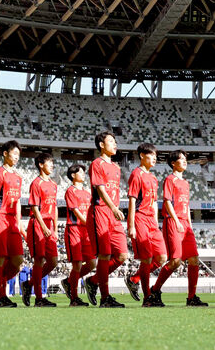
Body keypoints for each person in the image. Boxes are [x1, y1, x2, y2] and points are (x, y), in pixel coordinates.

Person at [152, 149, 207, 306]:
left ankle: (191, 297)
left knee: (194, 259)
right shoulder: (170, 180)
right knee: (175, 261)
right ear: (173, 163)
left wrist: (189, 224)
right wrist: (176, 220)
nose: (185, 161)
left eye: (185, 159)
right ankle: (155, 291)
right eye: (181, 159)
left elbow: (187, 205)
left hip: (185, 224)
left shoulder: (185, 183)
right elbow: (168, 202)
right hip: (173, 221)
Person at [86, 131, 129, 308]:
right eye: (111, 141)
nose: (115, 144)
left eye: (115, 141)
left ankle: (93, 281)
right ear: (102, 145)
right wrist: (113, 208)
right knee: (104, 254)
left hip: (113, 214)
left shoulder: (117, 168)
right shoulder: (97, 164)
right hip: (100, 211)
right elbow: (101, 190)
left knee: (122, 255)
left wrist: (114, 209)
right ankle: (105, 298)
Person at [126, 143, 167, 307]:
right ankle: (147, 298)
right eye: (151, 155)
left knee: (162, 257)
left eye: (156, 156)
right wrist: (131, 225)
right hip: (140, 218)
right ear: (142, 155)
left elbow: (154, 202)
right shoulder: (137, 174)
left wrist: (156, 223)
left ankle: (134, 279)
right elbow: (132, 200)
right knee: (147, 258)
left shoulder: (154, 178)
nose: (155, 158)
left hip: (152, 221)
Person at [0, 140, 24, 308]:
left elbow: (18, 201)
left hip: (12, 221)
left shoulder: (17, 177)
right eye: (14, 154)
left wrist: (20, 223)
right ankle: (2, 297)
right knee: (0, 256)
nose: (16, 157)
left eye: (18, 155)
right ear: (5, 154)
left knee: (18, 260)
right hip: (0, 217)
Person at [24, 152, 59, 307]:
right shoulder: (36, 183)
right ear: (40, 164)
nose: (52, 165)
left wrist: (55, 228)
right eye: (49, 162)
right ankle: (38, 298)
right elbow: (34, 207)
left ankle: (29, 284)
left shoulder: (53, 184)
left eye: (52, 163)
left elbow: (55, 207)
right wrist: (44, 226)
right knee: (39, 260)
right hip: (38, 224)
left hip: (49, 225)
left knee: (53, 261)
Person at [62, 164, 94, 307]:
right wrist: (87, 222)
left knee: (92, 263)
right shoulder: (70, 191)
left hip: (86, 232)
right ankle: (74, 298)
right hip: (74, 229)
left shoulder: (88, 193)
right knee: (77, 265)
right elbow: (75, 211)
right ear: (73, 175)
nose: (83, 175)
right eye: (81, 172)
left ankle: (69, 282)